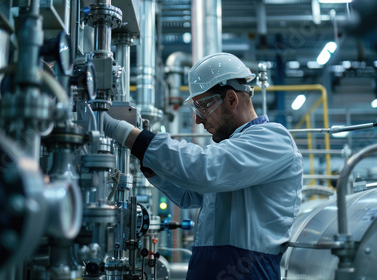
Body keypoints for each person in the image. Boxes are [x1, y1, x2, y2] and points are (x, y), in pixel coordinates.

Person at [103, 52, 303, 280]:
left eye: (203, 107)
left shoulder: (273, 140)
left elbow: (204, 170)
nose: (198, 120)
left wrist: (121, 131)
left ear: (231, 99)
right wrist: (153, 164)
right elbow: (192, 193)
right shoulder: (234, 150)